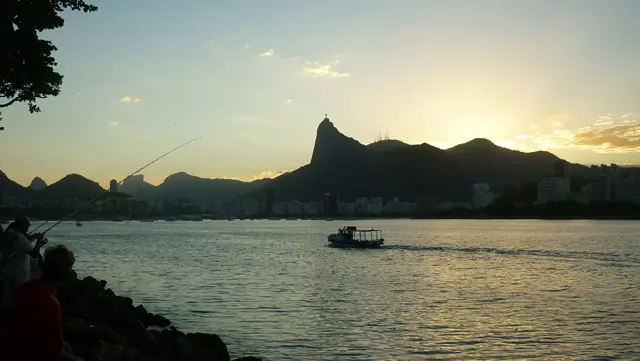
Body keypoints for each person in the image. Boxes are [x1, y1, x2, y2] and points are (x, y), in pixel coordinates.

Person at [4, 245, 82, 361]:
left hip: (11, 350)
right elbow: (55, 354)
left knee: (66, 346)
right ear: (64, 274)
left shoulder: (26, 288)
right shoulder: (49, 303)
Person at [1, 215, 44, 308]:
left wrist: (32, 237)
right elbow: (34, 254)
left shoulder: (10, 233)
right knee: (17, 299)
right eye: (27, 225)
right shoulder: (19, 237)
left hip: (9, 271)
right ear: (22, 225)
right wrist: (39, 242)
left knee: (8, 298)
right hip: (19, 275)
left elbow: (22, 243)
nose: (29, 227)